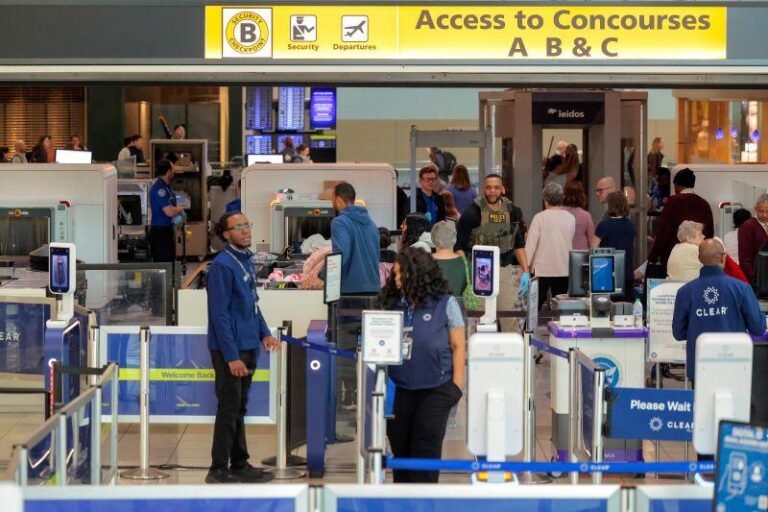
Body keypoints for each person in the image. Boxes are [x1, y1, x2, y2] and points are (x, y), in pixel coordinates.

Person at [380, 248, 465, 483]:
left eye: (399, 274)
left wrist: (456, 386)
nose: (395, 279)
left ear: (415, 275)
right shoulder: (392, 303)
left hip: (436, 389)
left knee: (426, 449)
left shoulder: (446, 304)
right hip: (399, 389)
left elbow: (458, 346)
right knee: (401, 450)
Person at [206, 211, 280, 484]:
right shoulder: (223, 266)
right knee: (228, 408)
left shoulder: (245, 260)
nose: (246, 231)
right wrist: (231, 357)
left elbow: (252, 302)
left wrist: (264, 333)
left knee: (239, 408)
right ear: (226, 234)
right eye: (239, 227)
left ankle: (239, 462)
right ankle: (217, 469)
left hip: (249, 345)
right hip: (231, 350)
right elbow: (220, 315)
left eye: (247, 224)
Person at [672, 239, 763, 386]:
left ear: (699, 259)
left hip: (700, 368)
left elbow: (678, 333)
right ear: (723, 257)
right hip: (735, 365)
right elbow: (758, 327)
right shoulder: (741, 288)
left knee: (703, 408)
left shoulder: (685, 292)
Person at [456, 174, 530, 331]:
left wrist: (526, 271)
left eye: (496, 187)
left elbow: (518, 244)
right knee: (481, 321)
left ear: (502, 189)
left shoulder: (513, 211)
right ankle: (478, 353)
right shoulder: (472, 213)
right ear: (484, 189)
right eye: (489, 187)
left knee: (510, 318)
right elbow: (459, 247)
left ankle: (513, 354)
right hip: (481, 272)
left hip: (505, 270)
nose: (492, 191)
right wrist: (468, 276)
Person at [648, 168, 714, 267]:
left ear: (677, 185)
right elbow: (709, 233)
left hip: (674, 258)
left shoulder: (673, 202)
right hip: (699, 260)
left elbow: (663, 232)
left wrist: (653, 257)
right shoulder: (704, 204)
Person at [525, 183, 575, 310]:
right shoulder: (570, 218)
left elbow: (530, 246)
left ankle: (528, 330)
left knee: (534, 307)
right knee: (561, 308)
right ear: (561, 198)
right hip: (563, 268)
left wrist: (524, 269)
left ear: (545, 200)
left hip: (541, 270)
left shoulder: (539, 218)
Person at [330, 183, 380, 294]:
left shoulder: (339, 222)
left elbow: (340, 254)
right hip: (374, 288)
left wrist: (322, 276)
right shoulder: (372, 224)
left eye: (332, 201)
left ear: (338, 199)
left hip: (351, 290)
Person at [593, 192, 637, 300]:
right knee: (625, 308)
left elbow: (593, 249)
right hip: (627, 273)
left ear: (609, 205)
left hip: (607, 274)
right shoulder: (631, 225)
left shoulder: (604, 225)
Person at [149, 159, 185, 263]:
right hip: (160, 233)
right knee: (164, 265)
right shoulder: (159, 189)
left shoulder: (167, 186)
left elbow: (172, 204)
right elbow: (169, 211)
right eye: (173, 169)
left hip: (167, 230)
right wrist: (180, 209)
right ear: (168, 172)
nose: (174, 172)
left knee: (170, 260)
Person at [431, 221, 466, 297]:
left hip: (429, 307)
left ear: (433, 239)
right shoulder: (466, 265)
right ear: (455, 239)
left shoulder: (422, 262)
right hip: (458, 308)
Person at [738, 194, 768, 282]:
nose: (764, 215)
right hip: (757, 279)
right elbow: (745, 259)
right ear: (755, 209)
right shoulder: (747, 227)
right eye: (761, 211)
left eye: (767, 211)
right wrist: (754, 279)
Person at [562, 182, 594, 251]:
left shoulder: (558, 213)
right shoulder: (586, 215)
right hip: (581, 254)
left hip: (562, 253)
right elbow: (592, 241)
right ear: (581, 195)